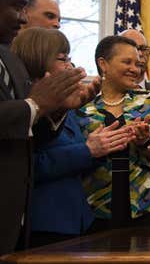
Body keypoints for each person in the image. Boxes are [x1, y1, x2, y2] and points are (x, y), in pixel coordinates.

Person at [0, 0, 97, 254]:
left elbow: (27, 145)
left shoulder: (10, 62)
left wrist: (53, 112)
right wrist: (35, 104)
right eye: (17, 6)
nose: (22, 17)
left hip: (18, 225)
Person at [11, 28, 135, 247]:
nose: (70, 66)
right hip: (44, 224)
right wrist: (88, 150)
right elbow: (28, 166)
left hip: (76, 221)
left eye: (70, 58)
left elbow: (78, 159)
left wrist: (102, 147)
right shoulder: (24, 106)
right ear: (38, 60)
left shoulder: (65, 104)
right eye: (62, 59)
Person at [77, 35, 150, 232]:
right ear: (103, 64)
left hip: (146, 210)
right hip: (95, 211)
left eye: (138, 63)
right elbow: (71, 157)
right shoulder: (82, 106)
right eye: (127, 62)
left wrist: (147, 143)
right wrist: (91, 148)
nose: (136, 69)